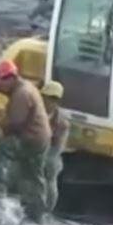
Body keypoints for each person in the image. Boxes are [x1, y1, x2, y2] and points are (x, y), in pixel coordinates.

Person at [0, 59, 51, 222]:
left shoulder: (21, 95)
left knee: (0, 149)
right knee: (33, 175)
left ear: (12, 78)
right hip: (41, 138)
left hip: (31, 139)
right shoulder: (23, 86)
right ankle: (36, 213)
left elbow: (15, 123)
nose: (2, 85)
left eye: (4, 81)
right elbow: (3, 87)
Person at [40, 81, 69, 212]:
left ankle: (46, 209)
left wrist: (44, 159)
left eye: (51, 99)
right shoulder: (35, 112)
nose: (46, 101)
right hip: (34, 148)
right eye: (45, 97)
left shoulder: (61, 121)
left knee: (50, 176)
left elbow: (58, 147)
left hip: (51, 152)